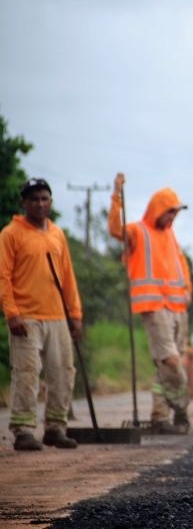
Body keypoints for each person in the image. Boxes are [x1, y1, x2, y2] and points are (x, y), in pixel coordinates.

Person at [0, 178, 82, 450]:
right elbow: (3, 277)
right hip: (26, 317)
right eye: (34, 199)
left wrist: (75, 314)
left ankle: (56, 428)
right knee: (27, 372)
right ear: (24, 202)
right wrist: (11, 313)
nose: (40, 203)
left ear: (51, 202)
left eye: (44, 198)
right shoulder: (11, 234)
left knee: (62, 372)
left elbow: (68, 276)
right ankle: (23, 430)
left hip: (57, 316)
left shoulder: (57, 234)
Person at [108, 173, 192, 434]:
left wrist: (188, 289)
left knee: (163, 366)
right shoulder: (138, 231)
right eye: (170, 212)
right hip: (154, 307)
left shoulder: (171, 236)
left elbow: (180, 266)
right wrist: (116, 196)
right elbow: (115, 229)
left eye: (175, 213)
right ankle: (180, 406)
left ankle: (160, 416)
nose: (172, 217)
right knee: (170, 362)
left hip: (178, 308)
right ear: (158, 209)